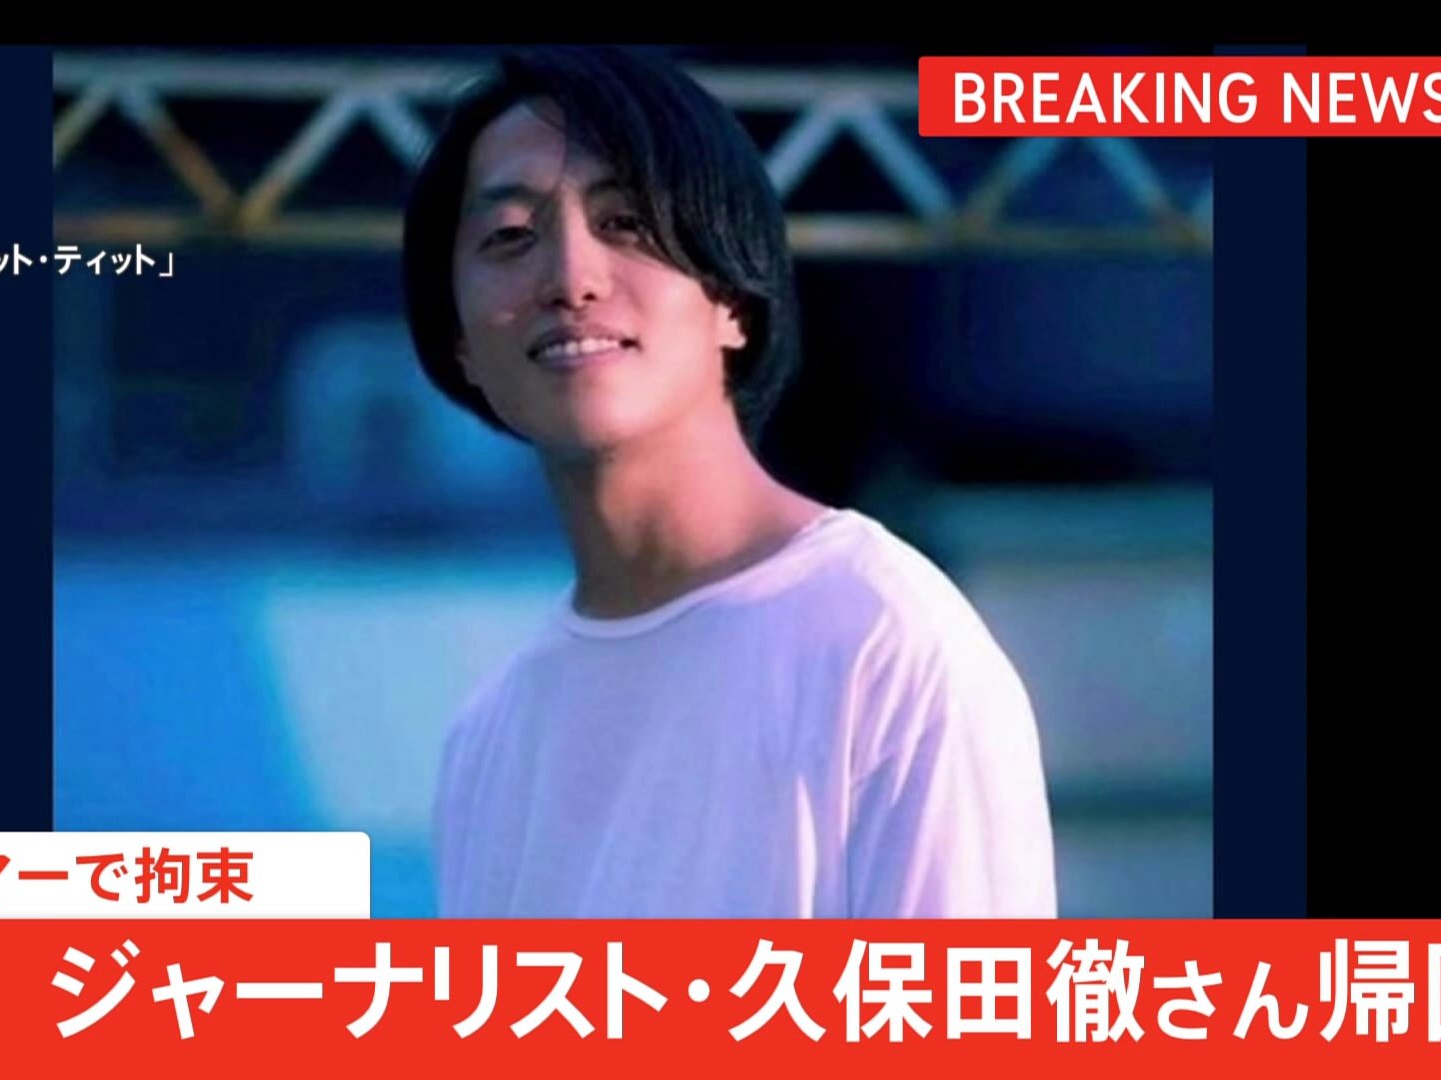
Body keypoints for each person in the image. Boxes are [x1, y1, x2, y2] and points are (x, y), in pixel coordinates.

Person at [402, 45, 1055, 917]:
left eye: (626, 222)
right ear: (459, 343)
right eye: (511, 236)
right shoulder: (490, 736)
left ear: (733, 300)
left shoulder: (880, 640)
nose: (570, 279)